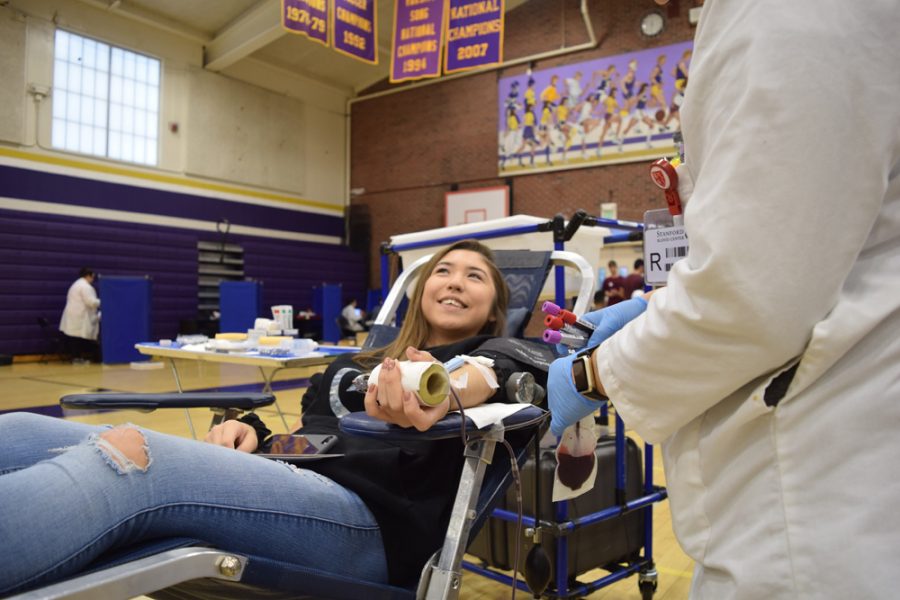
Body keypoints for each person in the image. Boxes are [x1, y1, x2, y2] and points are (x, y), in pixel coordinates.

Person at [548, 2, 900, 598]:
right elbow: (782, 251)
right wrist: (650, 314)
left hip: (805, 507)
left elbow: (751, 296)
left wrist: (590, 376)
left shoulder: (781, 14)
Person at [0, 239, 549, 595]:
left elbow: (496, 375)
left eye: (475, 277)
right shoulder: (357, 363)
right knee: (20, 430)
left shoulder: (500, 357)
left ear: (497, 306)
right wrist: (251, 434)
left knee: (131, 459)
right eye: (444, 270)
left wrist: (444, 389)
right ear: (420, 288)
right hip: (295, 482)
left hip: (368, 524)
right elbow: (310, 439)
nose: (455, 281)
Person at [59, 267, 100, 362]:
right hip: (80, 315)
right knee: (77, 338)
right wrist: (105, 301)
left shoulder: (76, 284)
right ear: (88, 276)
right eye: (92, 277)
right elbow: (91, 302)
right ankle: (76, 358)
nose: (93, 279)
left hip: (75, 315)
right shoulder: (85, 287)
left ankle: (76, 357)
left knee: (75, 338)